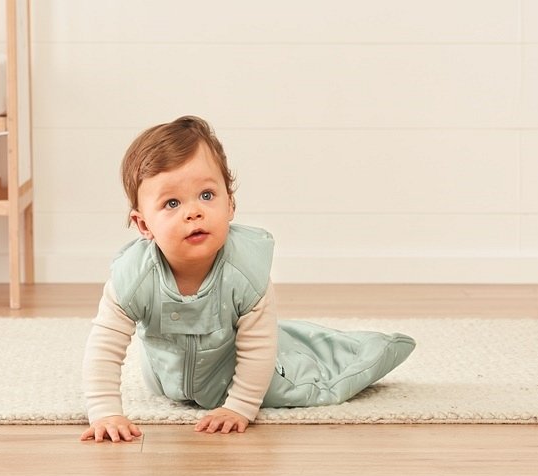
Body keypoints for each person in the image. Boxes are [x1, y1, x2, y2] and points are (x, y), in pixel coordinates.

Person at [80, 116, 415, 442]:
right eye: (171, 203)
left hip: (233, 373)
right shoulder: (134, 279)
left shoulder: (243, 271)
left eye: (207, 195)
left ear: (230, 204)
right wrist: (105, 413)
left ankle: (371, 349)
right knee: (276, 334)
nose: (194, 212)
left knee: (304, 379)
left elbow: (257, 349)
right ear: (144, 225)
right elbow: (104, 347)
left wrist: (239, 407)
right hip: (166, 379)